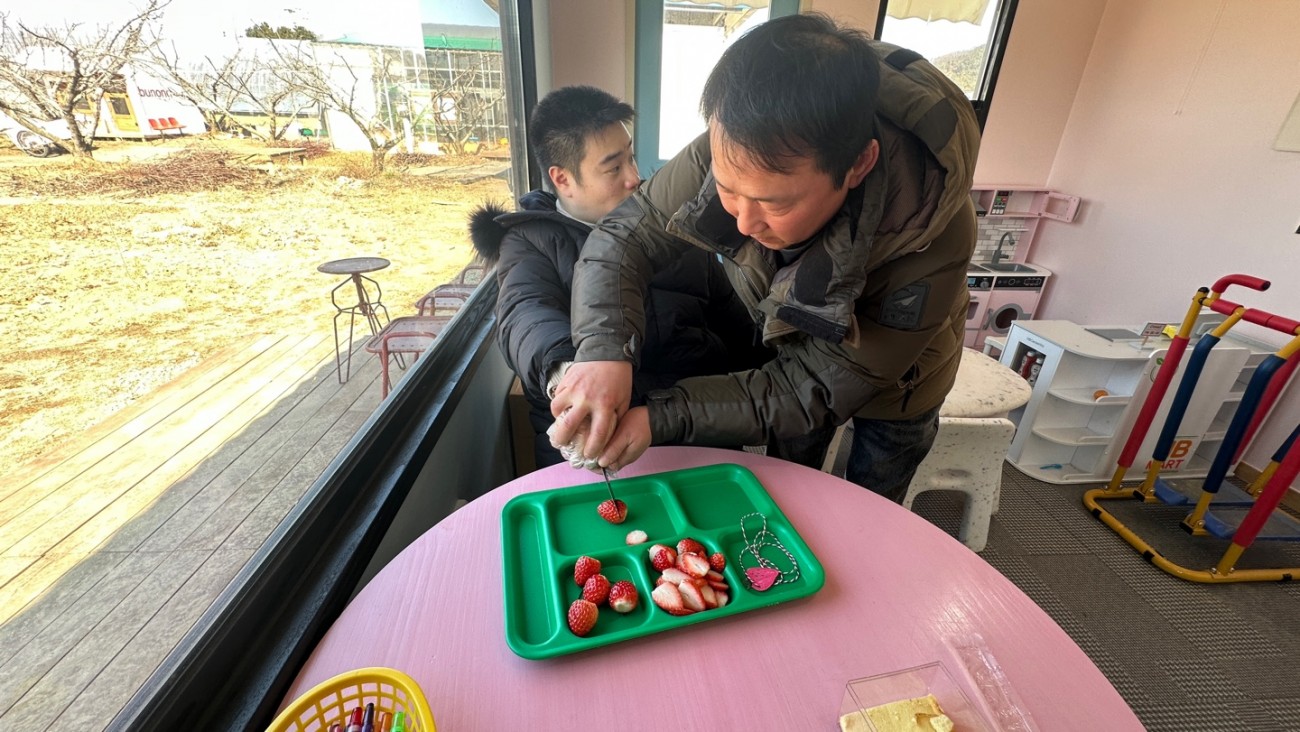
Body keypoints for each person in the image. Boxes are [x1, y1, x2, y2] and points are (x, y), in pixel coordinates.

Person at [548, 14, 981, 503]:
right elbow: (623, 239)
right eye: (728, 190)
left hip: (902, 382)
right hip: (795, 348)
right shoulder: (738, 142)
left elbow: (814, 388)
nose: (743, 223)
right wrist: (604, 351)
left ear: (858, 164)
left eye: (773, 203)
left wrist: (661, 416)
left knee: (875, 493)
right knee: (787, 484)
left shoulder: (932, 236)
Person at [470, 85, 768, 468]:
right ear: (562, 179)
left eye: (631, 158)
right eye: (613, 167)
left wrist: (777, 365)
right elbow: (524, 315)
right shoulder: (530, 241)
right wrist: (569, 374)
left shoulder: (673, 222)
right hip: (599, 440)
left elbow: (732, 316)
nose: (635, 178)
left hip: (698, 423)